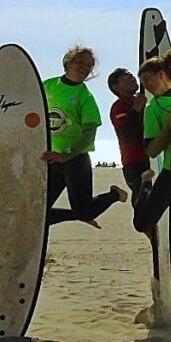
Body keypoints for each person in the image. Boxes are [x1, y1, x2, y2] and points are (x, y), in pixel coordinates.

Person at [42, 46, 127, 227]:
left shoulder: (85, 96)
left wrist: (66, 155)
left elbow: (89, 134)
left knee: (84, 210)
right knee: (38, 212)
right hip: (51, 159)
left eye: (89, 65)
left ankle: (114, 195)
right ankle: (80, 216)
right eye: (80, 62)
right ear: (68, 61)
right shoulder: (47, 86)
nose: (85, 68)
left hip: (76, 160)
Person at [132, 49, 171, 239]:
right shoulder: (153, 109)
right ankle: (146, 184)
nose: (145, 85)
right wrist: (169, 127)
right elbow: (152, 151)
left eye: (147, 79)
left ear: (161, 75)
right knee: (142, 223)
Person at [107, 67, 150, 203]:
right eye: (126, 77)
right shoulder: (118, 107)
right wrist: (136, 110)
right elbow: (127, 136)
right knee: (142, 203)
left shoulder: (147, 97)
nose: (132, 78)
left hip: (154, 158)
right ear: (116, 87)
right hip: (135, 164)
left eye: (131, 75)